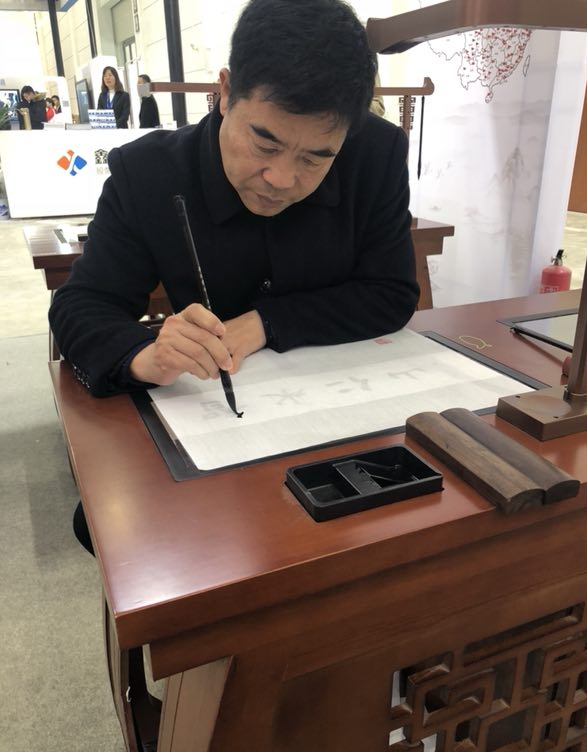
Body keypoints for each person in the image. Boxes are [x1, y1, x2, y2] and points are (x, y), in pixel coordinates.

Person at [50, 0, 418, 553]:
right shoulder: (147, 173)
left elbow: (391, 292)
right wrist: (145, 355)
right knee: (128, 535)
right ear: (224, 92)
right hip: (217, 439)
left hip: (343, 425)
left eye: (315, 158)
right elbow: (81, 304)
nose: (281, 178)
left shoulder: (376, 154)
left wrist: (264, 324)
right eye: (265, 143)